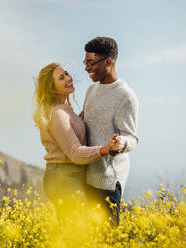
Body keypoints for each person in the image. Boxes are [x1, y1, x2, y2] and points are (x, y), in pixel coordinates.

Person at [33, 62, 123, 221]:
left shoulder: (64, 108)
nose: (68, 78)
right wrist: (105, 149)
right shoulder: (59, 113)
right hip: (64, 177)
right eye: (61, 78)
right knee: (76, 231)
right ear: (52, 88)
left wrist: (81, 119)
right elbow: (74, 152)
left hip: (66, 175)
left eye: (66, 73)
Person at [83, 37, 139, 225]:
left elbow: (132, 137)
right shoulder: (90, 90)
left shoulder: (126, 95)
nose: (86, 68)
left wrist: (121, 143)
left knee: (108, 239)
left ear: (108, 61)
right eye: (85, 62)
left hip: (108, 181)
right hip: (87, 176)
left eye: (91, 63)